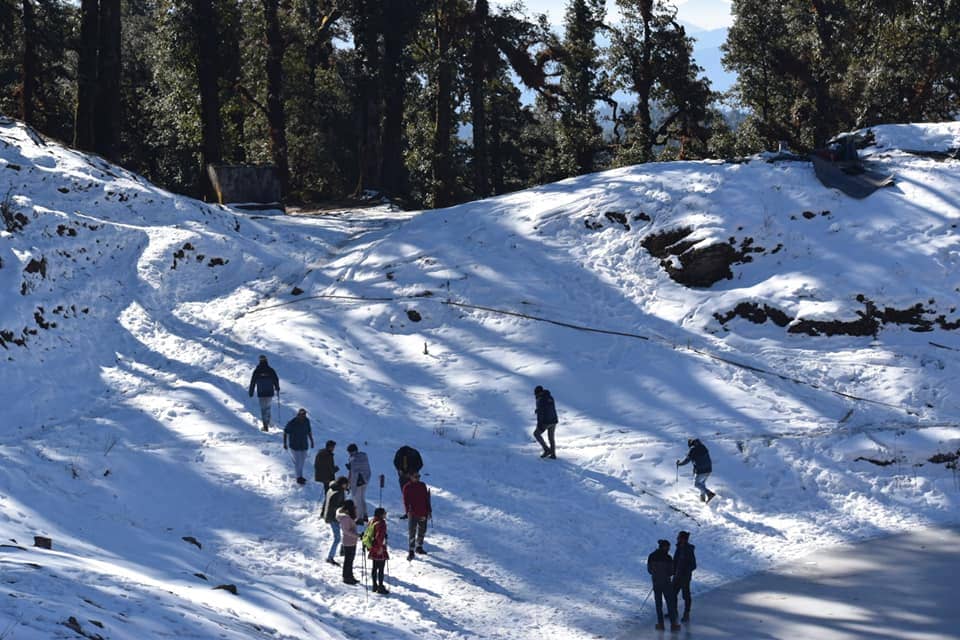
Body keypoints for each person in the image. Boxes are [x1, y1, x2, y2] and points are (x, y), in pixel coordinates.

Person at [647, 539, 681, 632]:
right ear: (664, 547)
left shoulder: (651, 556)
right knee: (670, 603)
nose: (669, 549)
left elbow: (649, 570)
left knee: (658, 604)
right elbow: (671, 572)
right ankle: (673, 624)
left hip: (656, 583)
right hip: (666, 583)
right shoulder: (668, 557)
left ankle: (660, 624)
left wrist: (656, 575)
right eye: (668, 547)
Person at [401, 471, 432, 561]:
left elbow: (427, 499)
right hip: (413, 513)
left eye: (418, 476)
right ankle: (411, 550)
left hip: (423, 511)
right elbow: (405, 500)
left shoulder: (422, 485)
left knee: (422, 530)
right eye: (415, 476)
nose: (418, 478)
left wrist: (429, 511)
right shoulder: (407, 487)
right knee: (412, 532)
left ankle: (419, 546)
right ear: (411, 477)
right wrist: (407, 511)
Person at [321, 476, 350, 566]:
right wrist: (345, 509)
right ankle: (330, 557)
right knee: (337, 538)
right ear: (343, 484)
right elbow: (336, 507)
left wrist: (322, 513)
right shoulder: (339, 493)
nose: (347, 486)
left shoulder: (331, 489)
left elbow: (326, 502)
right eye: (346, 484)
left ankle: (341, 552)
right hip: (334, 518)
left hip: (329, 516)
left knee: (343, 534)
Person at [676, 438, 715, 502]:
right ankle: (702, 498)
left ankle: (709, 494)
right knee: (702, 483)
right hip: (708, 470)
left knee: (697, 484)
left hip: (701, 471)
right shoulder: (703, 447)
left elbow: (687, 460)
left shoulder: (693, 449)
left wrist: (679, 464)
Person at [248, 355, 280, 431]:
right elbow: (276, 379)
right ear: (266, 360)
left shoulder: (257, 370)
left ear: (260, 361)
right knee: (268, 407)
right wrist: (277, 388)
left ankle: (265, 426)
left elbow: (253, 381)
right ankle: (267, 422)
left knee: (263, 409)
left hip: (261, 392)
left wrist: (251, 392)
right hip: (269, 392)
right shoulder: (270, 370)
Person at [283, 408, 315, 485]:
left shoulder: (306, 421)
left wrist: (311, 441)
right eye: (301, 415)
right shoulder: (292, 422)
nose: (303, 416)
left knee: (302, 461)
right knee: (298, 461)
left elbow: (309, 431)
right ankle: (299, 477)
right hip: (294, 445)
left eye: (304, 414)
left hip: (304, 444)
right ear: (298, 415)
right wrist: (285, 443)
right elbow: (285, 432)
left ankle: (300, 475)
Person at [673, 530, 698, 622]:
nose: (677, 538)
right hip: (676, 576)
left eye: (679, 537)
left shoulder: (689, 550)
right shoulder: (678, 548)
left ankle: (686, 613)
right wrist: (672, 570)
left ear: (683, 539)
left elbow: (693, 565)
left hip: (685, 577)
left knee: (686, 595)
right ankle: (673, 611)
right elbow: (675, 561)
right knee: (672, 594)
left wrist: (685, 571)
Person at [393, 445, 423, 518]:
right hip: (408, 476)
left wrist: (410, 472)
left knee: (410, 495)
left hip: (410, 477)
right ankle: (411, 512)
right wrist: (400, 470)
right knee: (409, 495)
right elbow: (420, 464)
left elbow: (395, 462)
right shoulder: (412, 452)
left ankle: (413, 512)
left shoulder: (401, 453)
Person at [336, 499, 360, 585]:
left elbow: (356, 516)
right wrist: (357, 535)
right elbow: (346, 531)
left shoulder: (348, 515)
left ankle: (350, 575)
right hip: (348, 541)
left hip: (352, 541)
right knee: (348, 560)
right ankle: (346, 577)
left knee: (351, 560)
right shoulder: (345, 518)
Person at [346, 444, 372, 522]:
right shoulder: (364, 455)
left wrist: (349, 483)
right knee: (362, 498)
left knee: (357, 500)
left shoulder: (352, 458)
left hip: (357, 481)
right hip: (365, 479)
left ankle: (359, 518)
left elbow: (352, 472)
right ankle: (365, 515)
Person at [367, 507, 390, 595]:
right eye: (384, 513)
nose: (385, 514)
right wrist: (379, 548)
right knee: (381, 569)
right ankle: (380, 586)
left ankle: (374, 585)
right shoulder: (382, 523)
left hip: (373, 547)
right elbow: (379, 537)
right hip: (380, 548)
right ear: (381, 514)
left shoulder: (372, 521)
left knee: (374, 567)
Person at [533, 385, 558, 459]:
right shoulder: (550, 397)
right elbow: (548, 408)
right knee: (551, 438)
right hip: (554, 420)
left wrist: (539, 424)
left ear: (538, 393)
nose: (535, 395)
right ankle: (553, 454)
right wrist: (538, 409)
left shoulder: (540, 400)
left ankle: (547, 450)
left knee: (536, 434)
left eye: (536, 394)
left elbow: (541, 414)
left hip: (546, 422)